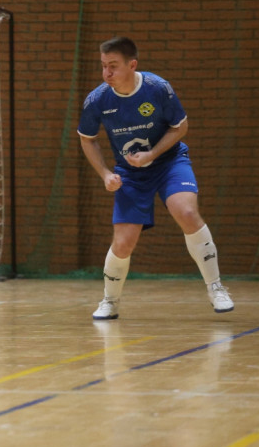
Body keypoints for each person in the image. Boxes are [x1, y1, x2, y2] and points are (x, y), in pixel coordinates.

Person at [78, 36, 233, 320]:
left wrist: (152, 154)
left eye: (113, 66)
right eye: (103, 66)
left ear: (132, 65)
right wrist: (105, 174)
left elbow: (181, 127)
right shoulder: (98, 99)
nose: (106, 73)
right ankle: (109, 301)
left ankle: (216, 287)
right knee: (124, 242)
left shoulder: (157, 88)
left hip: (169, 162)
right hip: (130, 173)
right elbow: (87, 140)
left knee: (185, 211)